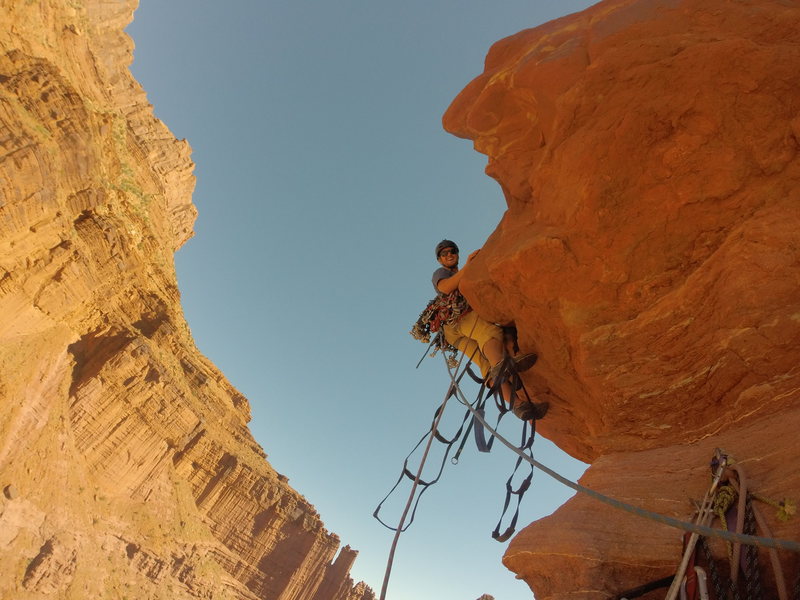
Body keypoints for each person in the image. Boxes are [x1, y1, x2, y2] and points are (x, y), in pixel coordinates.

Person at [430, 239, 547, 421]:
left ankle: (518, 406)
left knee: (486, 365)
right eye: (444, 254)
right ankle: (502, 366)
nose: (449, 255)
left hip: (453, 334)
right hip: (457, 321)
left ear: (457, 253)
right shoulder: (441, 272)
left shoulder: (462, 273)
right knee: (489, 332)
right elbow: (446, 287)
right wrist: (469, 266)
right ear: (439, 260)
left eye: (452, 251)